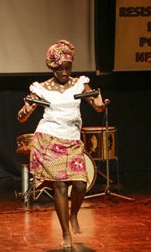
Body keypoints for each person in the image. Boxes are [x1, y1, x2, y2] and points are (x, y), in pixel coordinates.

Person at [17, 40, 104, 248]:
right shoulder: (41, 88)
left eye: (68, 68)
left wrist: (100, 103)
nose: (64, 73)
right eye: (60, 69)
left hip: (72, 140)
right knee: (61, 186)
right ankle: (66, 233)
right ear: (52, 67)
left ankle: (74, 215)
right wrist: (26, 110)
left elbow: (97, 107)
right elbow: (22, 117)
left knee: (81, 184)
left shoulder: (80, 84)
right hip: (49, 139)